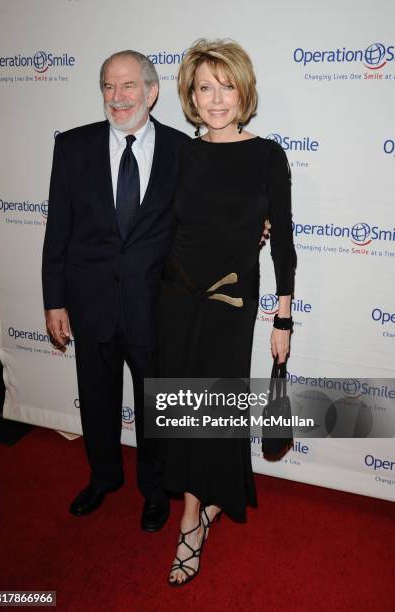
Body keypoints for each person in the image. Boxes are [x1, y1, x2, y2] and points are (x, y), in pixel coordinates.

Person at [158, 39, 297, 585]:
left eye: (226, 86)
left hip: (231, 303)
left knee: (212, 412)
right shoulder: (179, 152)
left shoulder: (267, 155)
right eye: (204, 88)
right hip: (175, 297)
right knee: (183, 410)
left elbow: (282, 239)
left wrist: (283, 316)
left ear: (244, 90)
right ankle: (203, 501)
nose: (216, 100)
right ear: (191, 96)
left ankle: (192, 518)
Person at [42, 50, 188, 531]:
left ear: (152, 91)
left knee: (154, 410)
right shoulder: (73, 147)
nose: (118, 97)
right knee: (98, 401)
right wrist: (54, 301)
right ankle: (103, 478)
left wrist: (253, 224)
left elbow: (203, 223)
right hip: (91, 305)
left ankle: (154, 489)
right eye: (109, 86)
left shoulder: (181, 150)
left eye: (128, 86)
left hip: (154, 308)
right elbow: (57, 232)